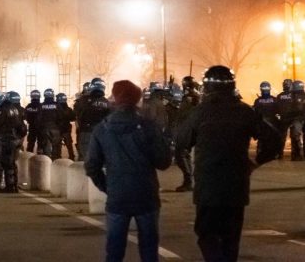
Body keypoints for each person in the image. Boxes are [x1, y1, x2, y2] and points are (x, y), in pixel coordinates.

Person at [177, 66, 281, 262]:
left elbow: (182, 141)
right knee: (231, 239)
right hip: (236, 185)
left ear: (206, 87)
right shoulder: (244, 111)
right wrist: (255, 162)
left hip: (208, 185)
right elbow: (274, 140)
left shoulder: (200, 112)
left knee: (207, 235)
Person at [85, 80, 172, 262]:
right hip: (146, 194)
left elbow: (92, 165)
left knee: (114, 251)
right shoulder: (148, 126)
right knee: (149, 250)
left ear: (115, 99)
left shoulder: (103, 128)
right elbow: (163, 162)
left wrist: (107, 186)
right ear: (137, 99)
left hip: (117, 196)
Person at [0, 91, 27, 193]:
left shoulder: (3, 109)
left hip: (8, 138)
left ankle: (10, 186)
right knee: (12, 162)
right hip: (16, 138)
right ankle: (14, 185)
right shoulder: (14, 109)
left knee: (7, 162)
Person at [75, 78, 111, 161]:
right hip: (102, 134)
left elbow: (75, 114)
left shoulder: (83, 100)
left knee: (85, 161)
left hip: (86, 132)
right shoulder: (107, 103)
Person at [38, 89, 61, 159]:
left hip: (44, 128)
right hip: (55, 128)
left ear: (44, 95)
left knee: (46, 146)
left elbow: (38, 118)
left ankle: (47, 163)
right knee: (56, 146)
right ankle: (56, 162)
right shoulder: (57, 105)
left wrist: (40, 128)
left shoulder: (41, 105)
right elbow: (61, 116)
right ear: (52, 95)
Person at [55, 93, 76, 160]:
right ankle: (72, 157)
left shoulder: (55, 109)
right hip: (66, 129)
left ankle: (58, 158)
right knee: (69, 145)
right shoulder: (69, 109)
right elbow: (73, 118)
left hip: (58, 129)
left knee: (58, 145)